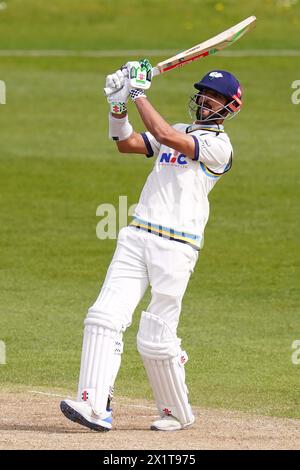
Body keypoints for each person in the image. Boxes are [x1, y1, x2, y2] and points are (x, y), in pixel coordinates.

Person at [60, 60, 243, 432]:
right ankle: (93, 405)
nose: (206, 102)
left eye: (215, 98)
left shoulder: (219, 147)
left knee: (155, 337)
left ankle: (176, 412)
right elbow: (127, 143)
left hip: (177, 246)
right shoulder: (177, 128)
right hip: (138, 234)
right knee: (103, 316)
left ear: (230, 107)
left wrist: (138, 93)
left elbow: (165, 134)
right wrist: (118, 105)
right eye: (204, 95)